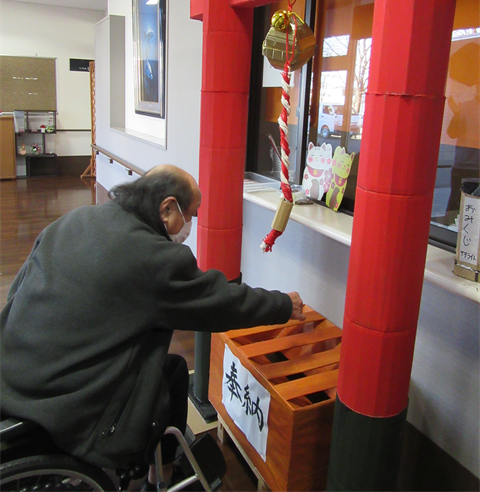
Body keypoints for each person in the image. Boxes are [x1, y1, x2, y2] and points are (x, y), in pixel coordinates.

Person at [0, 164, 305, 479]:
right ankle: (161, 475)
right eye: (192, 214)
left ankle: (162, 469)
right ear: (167, 209)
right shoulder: (157, 259)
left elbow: (16, 291)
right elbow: (222, 303)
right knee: (170, 373)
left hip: (11, 375)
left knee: (166, 366)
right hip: (67, 410)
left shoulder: (75, 219)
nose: (191, 224)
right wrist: (283, 304)